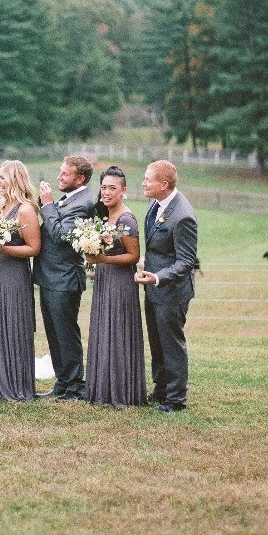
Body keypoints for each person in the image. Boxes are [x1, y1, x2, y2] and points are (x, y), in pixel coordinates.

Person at [134, 160, 198, 414]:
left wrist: (158, 277)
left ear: (163, 184)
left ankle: (176, 399)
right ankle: (161, 389)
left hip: (171, 291)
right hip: (153, 287)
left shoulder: (183, 216)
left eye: (148, 179)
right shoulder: (156, 204)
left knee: (171, 344)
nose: (143, 183)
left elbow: (186, 261)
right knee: (157, 342)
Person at [0, 160, 42, 402]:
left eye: (2, 177)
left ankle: (14, 382)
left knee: (11, 323)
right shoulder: (2, 206)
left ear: (14, 179)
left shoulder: (25, 210)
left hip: (14, 275)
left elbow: (34, 248)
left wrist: (3, 250)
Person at [32, 154, 95, 401]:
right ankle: (63, 381)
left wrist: (47, 205)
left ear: (79, 179)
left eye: (65, 174)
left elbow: (61, 236)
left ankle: (75, 386)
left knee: (66, 334)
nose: (59, 176)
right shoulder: (69, 198)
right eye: (60, 171)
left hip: (64, 278)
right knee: (54, 333)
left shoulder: (83, 203)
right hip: (50, 277)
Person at [84, 166, 146, 409]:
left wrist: (103, 259)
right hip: (104, 279)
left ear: (123, 191)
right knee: (104, 329)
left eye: (112, 188)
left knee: (118, 332)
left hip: (121, 283)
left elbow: (133, 256)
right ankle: (103, 388)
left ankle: (121, 390)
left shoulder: (126, 219)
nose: (107, 192)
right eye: (103, 187)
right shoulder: (105, 215)